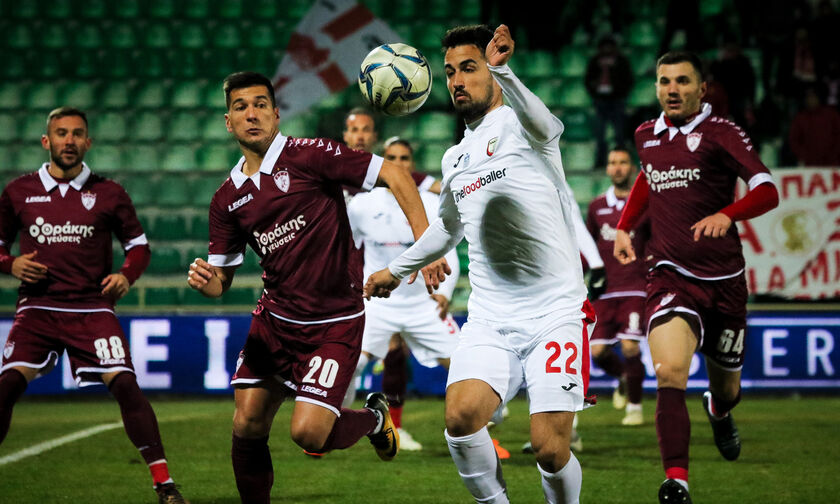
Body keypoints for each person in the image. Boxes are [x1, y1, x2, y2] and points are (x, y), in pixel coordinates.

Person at [186, 72, 447, 504]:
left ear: (276, 113)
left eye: (260, 104)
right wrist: (206, 281)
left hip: (334, 322)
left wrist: (426, 247)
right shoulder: (226, 198)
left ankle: (373, 420)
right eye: (240, 107)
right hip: (275, 320)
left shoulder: (310, 155)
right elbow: (222, 282)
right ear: (228, 122)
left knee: (309, 435)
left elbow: (397, 177)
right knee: (247, 422)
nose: (251, 113)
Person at [366, 25, 593, 503]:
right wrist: (397, 270)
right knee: (461, 418)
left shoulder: (523, 126)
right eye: (449, 72)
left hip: (555, 314)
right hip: (491, 317)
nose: (456, 81)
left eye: (469, 68)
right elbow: (448, 227)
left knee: (550, 450)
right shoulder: (455, 158)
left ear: (491, 69)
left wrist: (505, 71)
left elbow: (550, 127)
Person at [613, 51, 779, 503]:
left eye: (683, 81)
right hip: (668, 274)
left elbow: (767, 189)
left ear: (701, 89)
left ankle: (719, 411)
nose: (672, 89)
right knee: (669, 371)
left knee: (727, 388)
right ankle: (676, 480)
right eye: (665, 81)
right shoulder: (646, 135)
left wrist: (728, 214)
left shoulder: (722, 133)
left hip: (724, 281)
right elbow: (648, 178)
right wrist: (626, 225)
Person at [0, 107, 186, 504]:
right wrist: (10, 263)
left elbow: (138, 246)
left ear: (88, 142)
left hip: (92, 309)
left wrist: (125, 276)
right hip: (38, 308)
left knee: (127, 387)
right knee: (7, 386)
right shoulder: (18, 191)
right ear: (46, 142)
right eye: (61, 133)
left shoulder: (109, 193)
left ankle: (165, 485)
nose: (69, 140)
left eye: (77, 134)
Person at [343, 137, 461, 452]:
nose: (398, 163)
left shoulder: (432, 202)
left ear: (412, 163)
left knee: (467, 366)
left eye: (404, 158)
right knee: (350, 364)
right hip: (379, 304)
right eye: (391, 157)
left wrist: (445, 292)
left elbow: (450, 253)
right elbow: (348, 251)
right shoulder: (362, 205)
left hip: (424, 304)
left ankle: (479, 433)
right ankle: (334, 427)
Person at [585, 146, 649, 426]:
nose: (618, 167)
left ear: (633, 167)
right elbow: (586, 247)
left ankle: (635, 407)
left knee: (631, 346)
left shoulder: (646, 205)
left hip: (636, 286)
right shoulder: (597, 206)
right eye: (613, 162)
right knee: (597, 352)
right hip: (605, 289)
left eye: (623, 162)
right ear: (608, 169)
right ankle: (624, 378)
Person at [584, 35, 634, 168]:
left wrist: (619, 91)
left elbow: (628, 80)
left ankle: (623, 164)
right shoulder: (595, 61)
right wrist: (595, 92)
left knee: (620, 135)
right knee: (600, 135)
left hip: (617, 101)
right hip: (600, 101)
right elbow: (588, 80)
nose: (606, 50)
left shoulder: (621, 61)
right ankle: (600, 162)